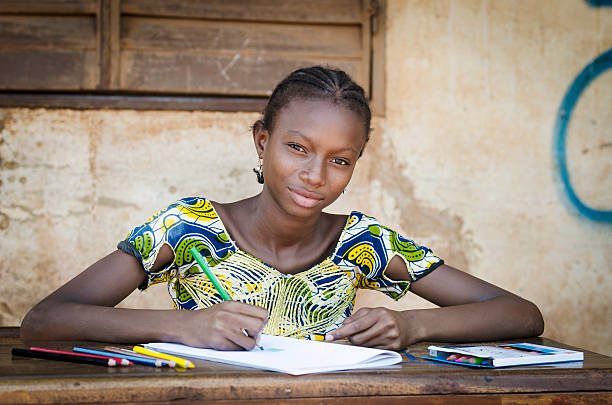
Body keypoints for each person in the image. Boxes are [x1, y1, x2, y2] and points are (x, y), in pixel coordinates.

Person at [20, 66, 544, 351]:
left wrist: (412, 328)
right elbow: (44, 321)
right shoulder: (187, 228)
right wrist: (180, 325)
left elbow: (523, 315)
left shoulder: (365, 243)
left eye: (341, 160)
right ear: (262, 142)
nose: (315, 175)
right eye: (297, 147)